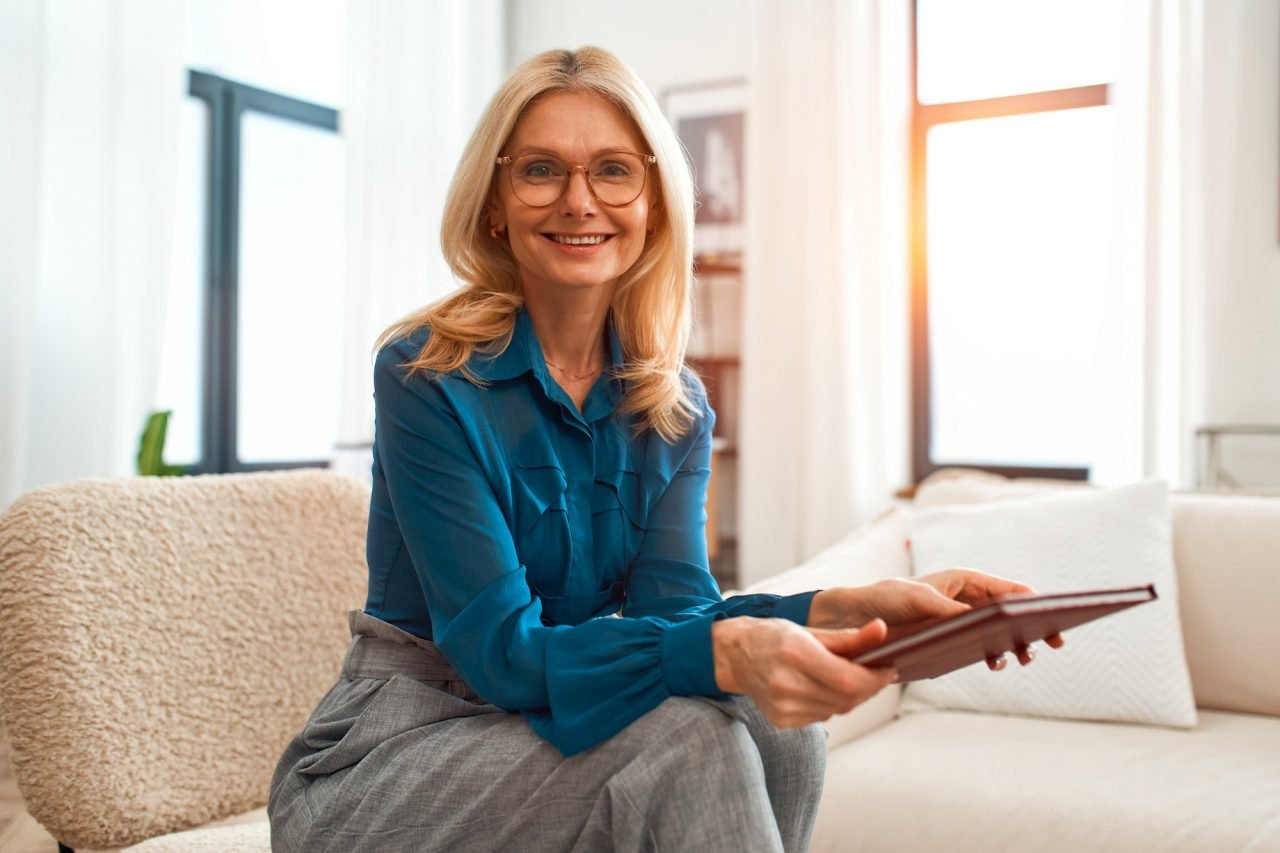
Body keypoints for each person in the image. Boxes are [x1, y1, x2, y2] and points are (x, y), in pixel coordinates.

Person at [268, 46, 1057, 853]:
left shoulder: (673, 409)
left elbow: (675, 619)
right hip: (395, 756)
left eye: (614, 171)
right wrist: (727, 649)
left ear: (652, 205)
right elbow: (502, 654)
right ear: (496, 203)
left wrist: (852, 606)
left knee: (779, 728)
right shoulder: (424, 374)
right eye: (541, 170)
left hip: (537, 730)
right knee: (691, 740)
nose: (580, 202)